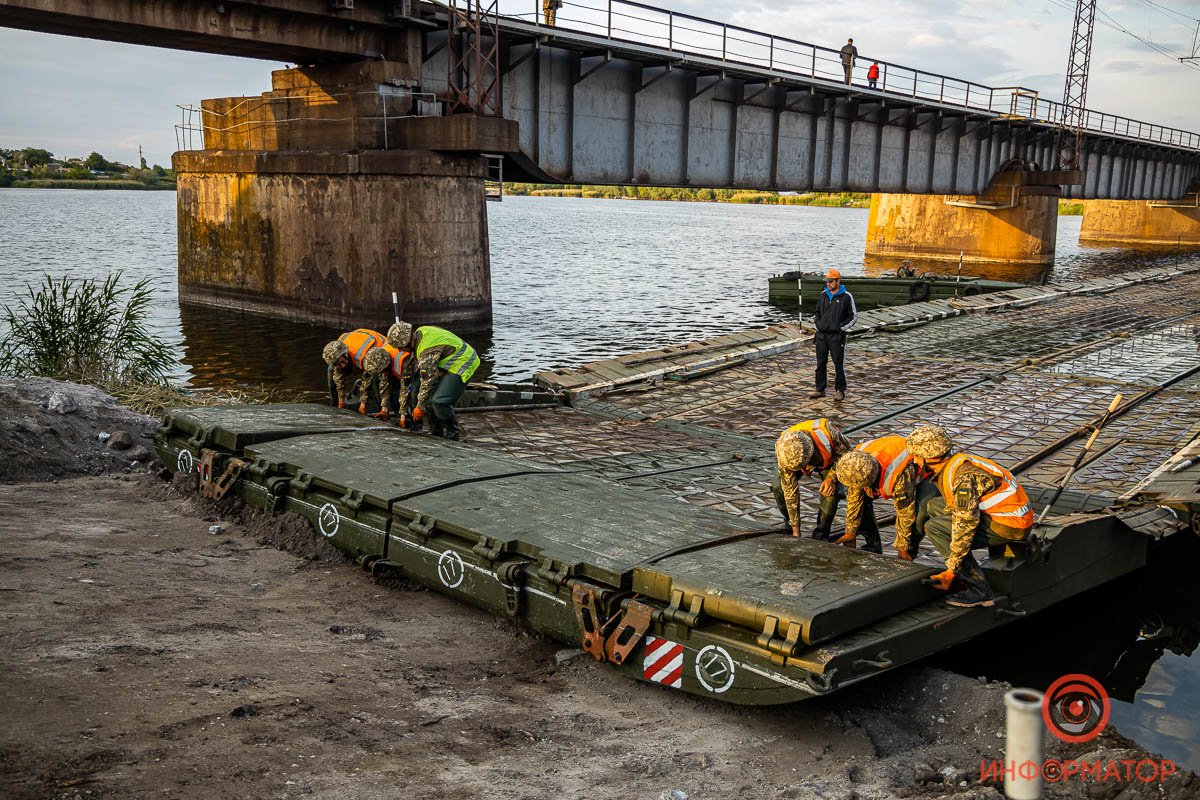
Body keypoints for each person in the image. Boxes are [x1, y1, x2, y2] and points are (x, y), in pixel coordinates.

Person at [904, 425, 1034, 608]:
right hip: (1005, 515)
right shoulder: (957, 463)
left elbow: (965, 524)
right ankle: (955, 571)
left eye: (917, 456)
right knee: (932, 505)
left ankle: (979, 590)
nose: (915, 461)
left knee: (934, 528)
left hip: (1008, 525)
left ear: (929, 457)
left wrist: (952, 569)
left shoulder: (963, 478)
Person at [388, 321, 480, 441]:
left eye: (400, 348)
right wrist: (404, 412)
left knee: (439, 401)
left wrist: (420, 407)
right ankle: (437, 433)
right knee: (426, 398)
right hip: (445, 361)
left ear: (406, 343)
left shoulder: (427, 351)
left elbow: (427, 381)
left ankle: (452, 433)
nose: (400, 351)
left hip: (463, 362)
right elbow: (410, 386)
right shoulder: (421, 331)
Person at [831, 435, 921, 554]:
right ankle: (873, 546)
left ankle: (911, 552)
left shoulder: (898, 475)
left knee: (920, 512)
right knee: (862, 503)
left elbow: (905, 513)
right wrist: (850, 532)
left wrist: (903, 548)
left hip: (920, 470)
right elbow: (854, 500)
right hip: (886, 449)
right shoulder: (855, 463)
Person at [772, 418, 853, 540]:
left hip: (830, 461)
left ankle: (821, 534)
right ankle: (789, 524)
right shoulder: (784, 450)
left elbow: (848, 455)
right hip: (797, 461)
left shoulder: (828, 432)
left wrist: (832, 477)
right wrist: (796, 530)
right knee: (778, 486)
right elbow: (790, 491)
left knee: (831, 494)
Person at [808, 268, 857, 402]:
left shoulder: (847, 296)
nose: (828, 284)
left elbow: (853, 316)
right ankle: (820, 389)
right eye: (827, 281)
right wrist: (817, 323)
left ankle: (840, 391)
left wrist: (840, 328)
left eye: (831, 281)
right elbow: (817, 312)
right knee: (820, 363)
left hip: (837, 337)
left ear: (838, 281)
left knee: (838, 364)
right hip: (821, 336)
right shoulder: (823, 294)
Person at [322, 328, 386, 410]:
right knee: (331, 370)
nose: (342, 365)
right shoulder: (336, 351)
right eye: (338, 364)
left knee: (375, 378)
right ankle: (335, 404)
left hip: (379, 353)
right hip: (361, 342)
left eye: (342, 362)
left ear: (345, 354)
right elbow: (338, 376)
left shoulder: (362, 356)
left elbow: (366, 380)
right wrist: (341, 401)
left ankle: (381, 408)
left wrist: (363, 405)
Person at [360, 344, 420, 425]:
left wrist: (403, 418)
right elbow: (385, 385)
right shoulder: (380, 358)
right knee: (383, 385)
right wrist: (384, 409)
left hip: (416, 376)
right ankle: (399, 414)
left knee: (412, 392)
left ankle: (414, 423)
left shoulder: (403, 362)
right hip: (400, 375)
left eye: (383, 371)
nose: (383, 373)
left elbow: (405, 389)